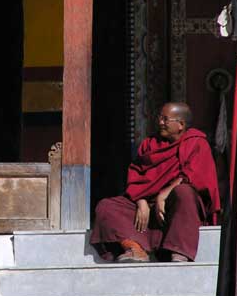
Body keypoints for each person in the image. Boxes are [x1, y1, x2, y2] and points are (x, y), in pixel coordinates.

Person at [90, 102, 221, 262]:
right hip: (148, 206)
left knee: (184, 192)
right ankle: (134, 248)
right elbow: (136, 176)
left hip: (176, 209)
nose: (160, 123)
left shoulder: (197, 143)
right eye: (160, 118)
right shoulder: (150, 144)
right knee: (106, 206)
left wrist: (164, 195)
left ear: (181, 124)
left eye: (165, 119)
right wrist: (141, 201)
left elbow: (195, 176)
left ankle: (178, 251)